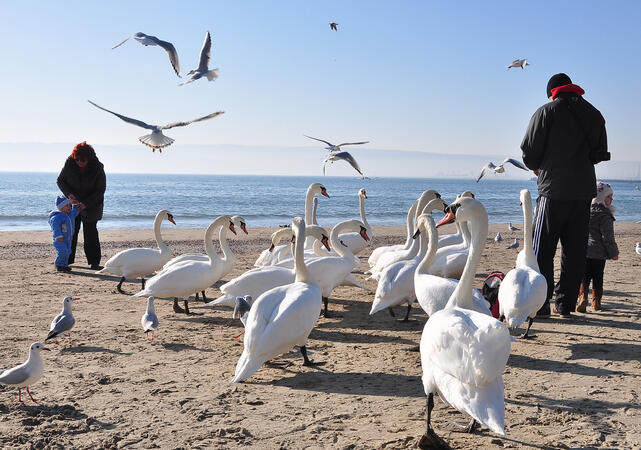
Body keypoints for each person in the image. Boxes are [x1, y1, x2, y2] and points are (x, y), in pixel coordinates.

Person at [521, 73, 609, 318]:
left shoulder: (546, 112)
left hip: (552, 189)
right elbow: (600, 152)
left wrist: (539, 166)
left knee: (543, 250)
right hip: (583, 192)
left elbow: (528, 151)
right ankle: (566, 304)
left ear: (552, 92)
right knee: (574, 251)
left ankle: (541, 305)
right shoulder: (593, 113)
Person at [56, 142, 106, 270]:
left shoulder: (98, 168)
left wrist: (86, 204)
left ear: (89, 158)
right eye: (77, 159)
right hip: (73, 204)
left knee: (90, 233)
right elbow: (60, 180)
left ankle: (94, 262)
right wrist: (69, 195)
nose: (79, 162)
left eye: (82, 160)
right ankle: (67, 260)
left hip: (92, 204)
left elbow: (100, 191)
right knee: (71, 231)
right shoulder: (70, 163)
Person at [577, 182, 618, 312]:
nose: (611, 200)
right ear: (601, 197)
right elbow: (608, 237)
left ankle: (582, 296)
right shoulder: (605, 215)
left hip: (585, 251)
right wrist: (613, 253)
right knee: (598, 276)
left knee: (585, 276)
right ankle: (596, 302)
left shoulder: (585, 211)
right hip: (600, 254)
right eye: (609, 197)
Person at [48, 195, 81, 272]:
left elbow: (75, 210)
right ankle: (58, 264)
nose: (69, 207)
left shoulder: (70, 214)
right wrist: (58, 236)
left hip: (68, 238)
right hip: (59, 239)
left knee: (68, 252)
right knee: (62, 251)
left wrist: (77, 206)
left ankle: (64, 265)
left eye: (69, 205)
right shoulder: (57, 217)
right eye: (66, 206)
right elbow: (55, 227)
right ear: (60, 207)